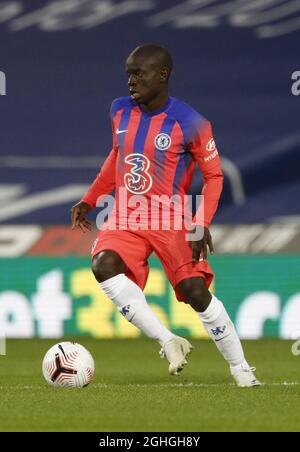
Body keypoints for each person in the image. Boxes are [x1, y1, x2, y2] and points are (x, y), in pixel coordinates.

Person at [71, 44, 260, 387]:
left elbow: (215, 176)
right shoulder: (119, 110)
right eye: (128, 73)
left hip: (170, 219)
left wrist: (201, 222)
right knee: (103, 265)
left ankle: (241, 369)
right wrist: (91, 198)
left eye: (138, 73)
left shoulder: (190, 122)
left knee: (195, 292)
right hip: (127, 215)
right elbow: (118, 156)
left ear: (162, 75)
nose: (131, 81)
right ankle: (168, 340)